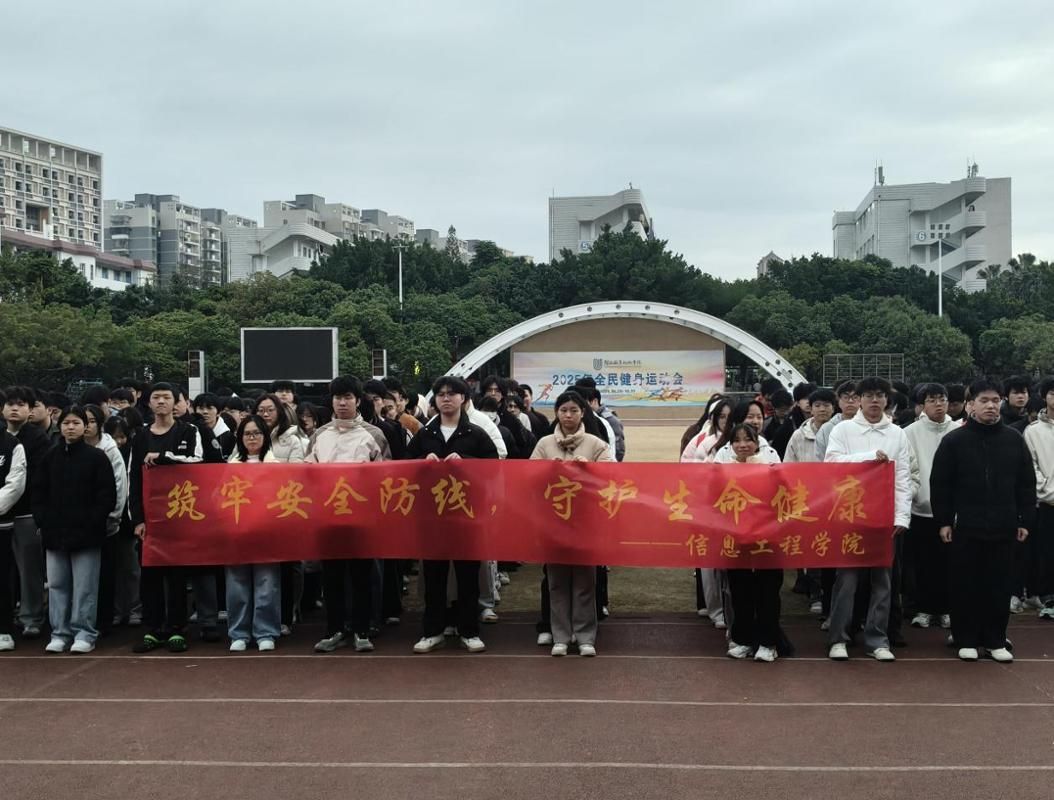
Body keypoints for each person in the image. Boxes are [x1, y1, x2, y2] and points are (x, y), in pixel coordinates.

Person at [932, 377, 1035, 662]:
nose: (991, 406)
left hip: (1004, 525)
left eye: (995, 400)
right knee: (965, 583)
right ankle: (965, 637)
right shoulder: (954, 441)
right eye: (984, 400)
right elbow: (940, 485)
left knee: (999, 584)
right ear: (970, 405)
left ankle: (995, 639)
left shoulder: (1013, 439)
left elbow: (1026, 484)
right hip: (965, 525)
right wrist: (943, 521)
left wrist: (1025, 520)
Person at [407, 375, 498, 654]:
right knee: (433, 576)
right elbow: (403, 468)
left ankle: (468, 630)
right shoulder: (425, 434)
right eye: (441, 394)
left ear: (463, 398)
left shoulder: (476, 434)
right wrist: (422, 462)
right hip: (432, 517)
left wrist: (467, 462)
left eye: (452, 393)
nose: (446, 398)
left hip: (466, 516)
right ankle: (432, 630)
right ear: (434, 400)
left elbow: (494, 469)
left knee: (468, 576)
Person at [824, 378, 913, 663]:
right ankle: (839, 638)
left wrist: (902, 516)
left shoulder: (897, 434)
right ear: (859, 399)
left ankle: (877, 639)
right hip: (850, 515)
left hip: (884, 518)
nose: (875, 401)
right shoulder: (843, 429)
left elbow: (903, 477)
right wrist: (869, 458)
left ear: (887, 400)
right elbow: (831, 464)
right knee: (846, 581)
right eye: (869, 395)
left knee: (882, 582)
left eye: (880, 396)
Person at [307, 376, 387, 653]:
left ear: (358, 400)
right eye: (338, 397)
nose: (342, 403)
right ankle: (335, 630)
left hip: (362, 520)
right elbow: (307, 474)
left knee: (362, 576)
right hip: (328, 519)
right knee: (332, 578)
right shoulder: (319, 435)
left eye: (348, 397)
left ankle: (362, 630)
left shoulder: (374, 434)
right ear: (331, 401)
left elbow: (386, 475)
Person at [530, 390, 612, 657]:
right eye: (563, 410)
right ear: (556, 413)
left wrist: (591, 469)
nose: (568, 415)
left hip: (585, 522)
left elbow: (612, 477)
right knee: (556, 581)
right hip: (553, 522)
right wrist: (547, 470)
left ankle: (585, 636)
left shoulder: (595, 444)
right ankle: (561, 637)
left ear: (583, 413)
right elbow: (528, 476)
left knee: (585, 580)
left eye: (574, 410)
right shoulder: (544, 444)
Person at [33, 406, 117, 653]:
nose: (71, 427)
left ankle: (85, 633)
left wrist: (93, 520)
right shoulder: (50, 457)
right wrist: (43, 520)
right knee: (57, 584)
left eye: (76, 423)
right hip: (54, 533)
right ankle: (59, 632)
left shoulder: (97, 457)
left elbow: (107, 496)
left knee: (85, 587)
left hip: (87, 534)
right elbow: (38, 492)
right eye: (66, 423)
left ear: (86, 426)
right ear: (60, 426)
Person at [129, 383, 204, 653]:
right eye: (156, 397)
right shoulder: (140, 436)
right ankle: (153, 628)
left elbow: (197, 461)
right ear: (148, 403)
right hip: (150, 518)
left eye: (166, 397)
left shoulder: (189, 430)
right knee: (150, 574)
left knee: (177, 575)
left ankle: (177, 628)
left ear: (176, 402)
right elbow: (133, 478)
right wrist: (137, 519)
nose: (161, 401)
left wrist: (164, 457)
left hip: (180, 513)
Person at [721, 423, 783, 662]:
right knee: (740, 590)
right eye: (737, 440)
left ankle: (768, 643)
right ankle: (743, 640)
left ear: (757, 442)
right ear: (731, 445)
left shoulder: (770, 463)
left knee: (768, 591)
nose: (743, 445)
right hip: (736, 538)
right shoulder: (723, 465)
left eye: (748, 439)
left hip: (768, 537)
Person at [226, 414, 282, 652]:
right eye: (247, 433)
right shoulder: (231, 466)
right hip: (237, 532)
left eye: (257, 433)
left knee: (267, 582)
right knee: (236, 583)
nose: (252, 438)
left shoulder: (275, 466)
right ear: (240, 437)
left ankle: (265, 631)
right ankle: (238, 632)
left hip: (266, 532)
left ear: (265, 436)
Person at [904, 384, 957, 630]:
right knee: (923, 563)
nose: (938, 404)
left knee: (949, 563)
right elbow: (908, 470)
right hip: (920, 508)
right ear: (922, 405)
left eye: (942, 399)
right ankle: (923, 609)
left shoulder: (958, 431)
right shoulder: (909, 432)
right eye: (932, 400)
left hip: (952, 512)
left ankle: (946, 609)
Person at [3, 386, 53, 639]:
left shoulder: (37, 438)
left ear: (30, 410)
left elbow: (38, 477)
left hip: (26, 513)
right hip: (2, 515)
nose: (15, 408)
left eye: (21, 404)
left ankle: (31, 616)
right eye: (10, 404)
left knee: (29, 569)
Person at [83, 405, 129, 638]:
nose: (87, 426)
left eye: (92, 421)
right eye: (84, 421)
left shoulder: (110, 450)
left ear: (100, 424)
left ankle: (104, 620)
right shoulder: (67, 448)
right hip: (77, 524)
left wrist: (112, 517)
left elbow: (120, 486)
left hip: (106, 523)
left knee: (105, 574)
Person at [103, 415, 142, 627]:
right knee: (114, 570)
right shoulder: (103, 454)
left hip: (127, 521)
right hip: (107, 520)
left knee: (131, 568)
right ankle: (118, 610)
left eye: (122, 437)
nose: (118, 442)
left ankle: (135, 608)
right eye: (114, 437)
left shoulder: (132, 455)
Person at [1023, 376, 1054, 621]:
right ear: (1044, 397)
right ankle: (1048, 599)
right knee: (1047, 553)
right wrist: (1047, 492)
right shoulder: (1033, 431)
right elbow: (1030, 468)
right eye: (1052, 393)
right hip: (1047, 503)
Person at [0, 420, 27, 652]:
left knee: (2, 577)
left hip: (2, 524)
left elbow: (15, 484)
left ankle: (4, 629)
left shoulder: (11, 444)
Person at [815, 381, 861, 461]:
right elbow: (821, 458)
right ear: (838, 401)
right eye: (846, 397)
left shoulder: (869, 425)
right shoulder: (827, 428)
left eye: (855, 397)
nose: (850, 401)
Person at [194, 393, 235, 460]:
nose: (205, 412)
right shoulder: (189, 432)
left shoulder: (228, 437)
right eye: (201, 408)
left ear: (218, 412)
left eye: (209, 408)